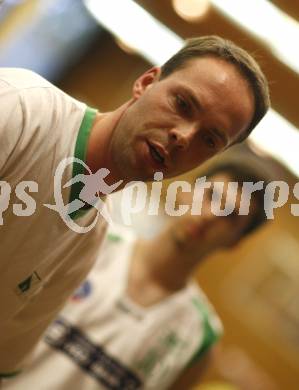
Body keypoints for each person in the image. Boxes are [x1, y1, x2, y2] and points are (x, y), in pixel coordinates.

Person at [0, 35, 270, 377]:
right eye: (183, 104)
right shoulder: (22, 111)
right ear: (145, 82)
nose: (184, 136)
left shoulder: (86, 242)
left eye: (209, 139)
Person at [3, 162, 269, 390]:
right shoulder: (89, 243)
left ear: (235, 242)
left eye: (231, 215)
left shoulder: (199, 339)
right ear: (186, 192)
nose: (211, 214)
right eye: (211, 195)